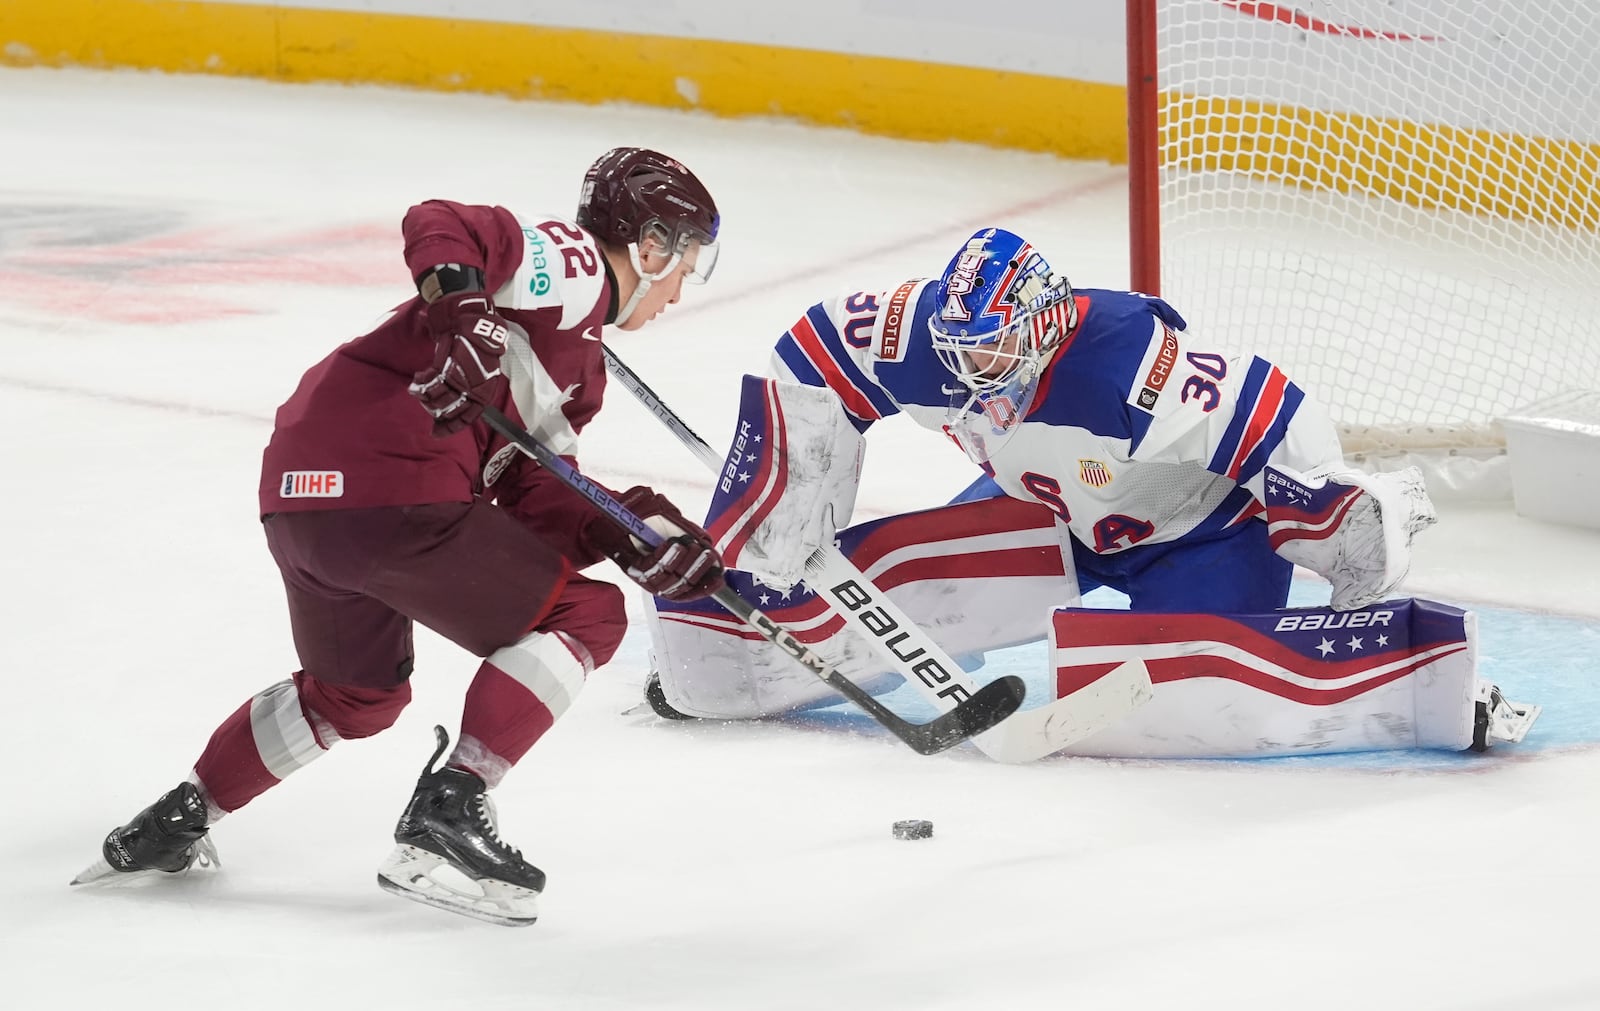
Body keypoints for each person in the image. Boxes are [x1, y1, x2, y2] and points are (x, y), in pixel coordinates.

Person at [72, 147, 728, 926]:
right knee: (587, 616)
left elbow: (531, 489)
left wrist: (630, 529)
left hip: (303, 494)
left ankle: (178, 817)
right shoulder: (576, 267)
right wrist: (464, 311)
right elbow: (441, 222)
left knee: (355, 695)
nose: (682, 288)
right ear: (650, 247)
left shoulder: (573, 364)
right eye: (687, 262)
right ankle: (450, 811)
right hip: (392, 484)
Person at [643, 226, 1539, 757]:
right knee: (890, 577)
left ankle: (1425, 688)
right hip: (1051, 518)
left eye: (991, 353)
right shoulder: (933, 339)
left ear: (1042, 325)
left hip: (1197, 540)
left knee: (1161, 698)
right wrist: (795, 485)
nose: (968, 375)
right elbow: (815, 353)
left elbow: (1282, 415)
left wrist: (1337, 526)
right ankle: (723, 663)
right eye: (957, 352)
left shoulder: (1125, 365)